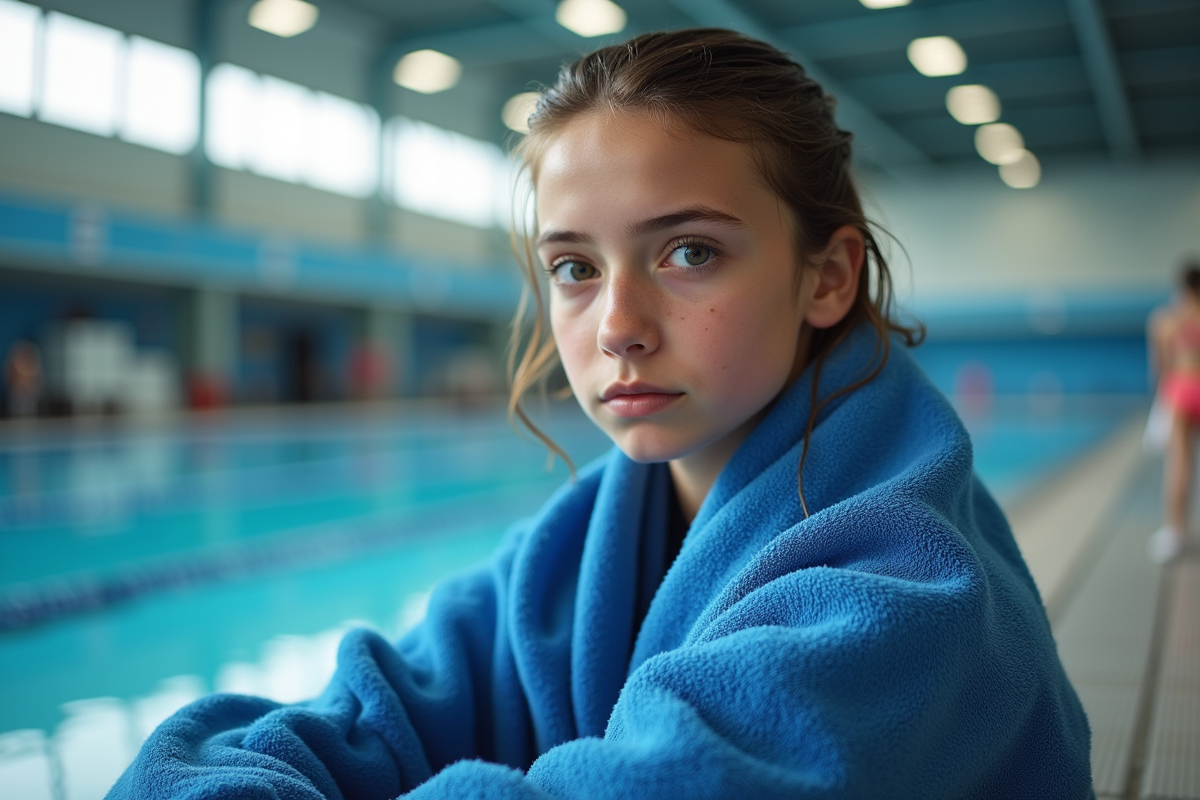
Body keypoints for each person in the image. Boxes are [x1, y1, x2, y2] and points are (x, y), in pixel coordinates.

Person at [108, 29, 1092, 799]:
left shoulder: (903, 588)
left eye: (688, 251)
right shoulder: (580, 550)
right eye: (574, 267)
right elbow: (360, 718)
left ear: (826, 275)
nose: (617, 325)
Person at [1147, 260, 1200, 563]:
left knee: (1180, 463)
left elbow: (1161, 367)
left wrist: (1161, 402)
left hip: (1179, 390)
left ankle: (1175, 533)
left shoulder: (1165, 320)